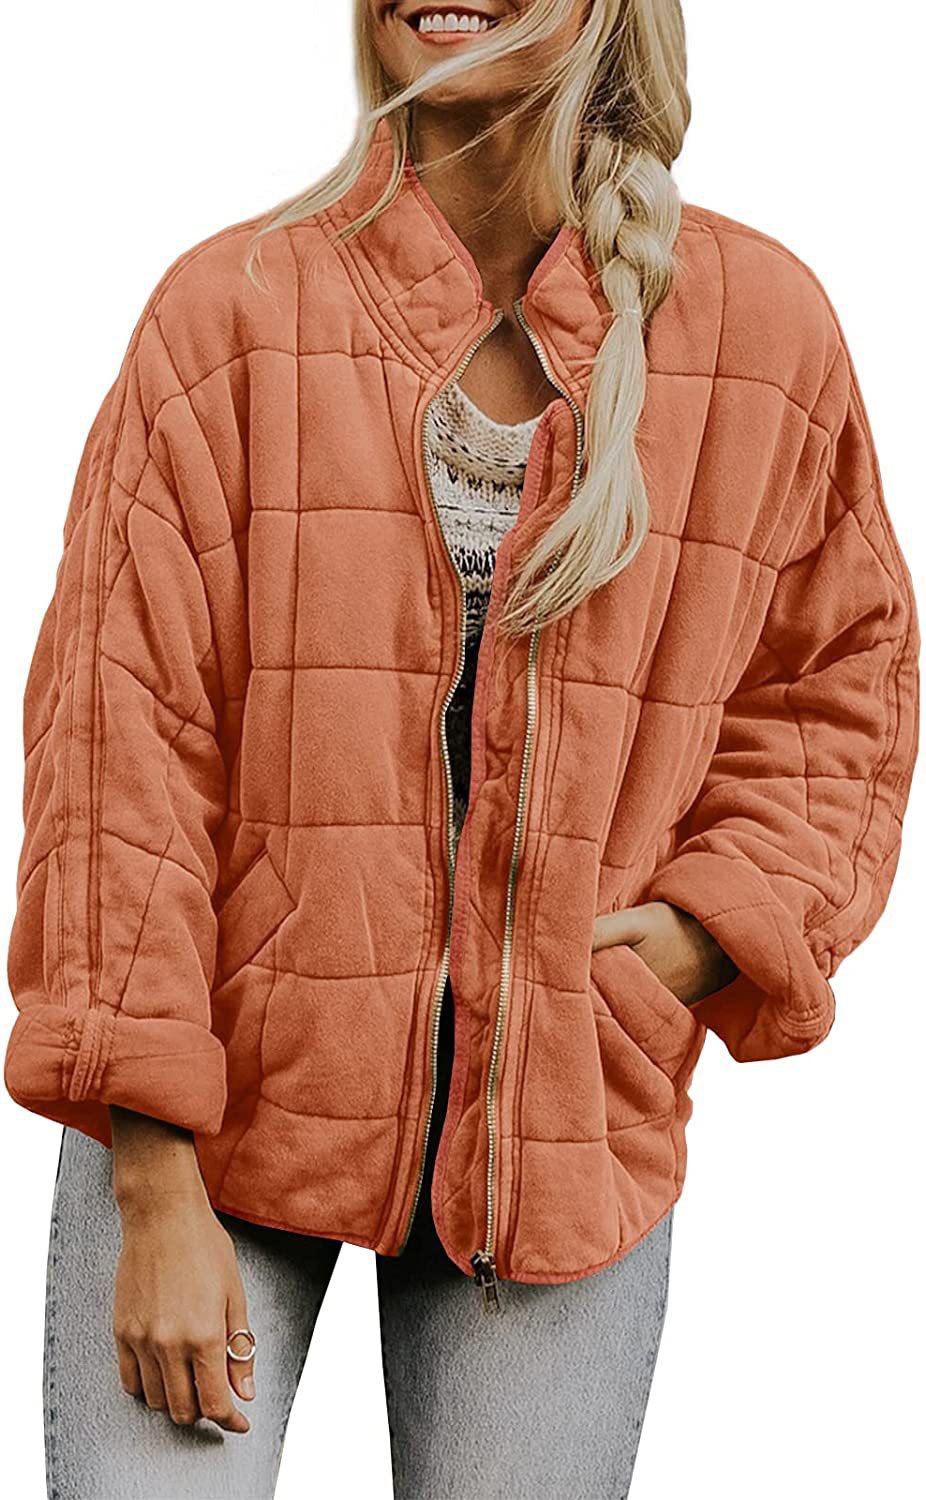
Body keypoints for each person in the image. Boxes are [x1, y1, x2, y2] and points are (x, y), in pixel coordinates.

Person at [4, 3, 920, 1498]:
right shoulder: (230, 312)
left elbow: (840, 678)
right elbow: (120, 746)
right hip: (209, 1121)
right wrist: (153, 1178)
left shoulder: (762, 332)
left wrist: (718, 923)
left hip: (562, 1137)